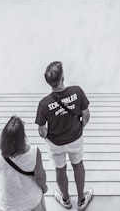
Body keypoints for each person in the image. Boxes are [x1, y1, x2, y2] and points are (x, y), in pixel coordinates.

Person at [35, 61, 92, 210]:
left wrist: (49, 135)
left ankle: (66, 199)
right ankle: (81, 199)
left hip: (56, 143)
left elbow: (42, 131)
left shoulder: (44, 104)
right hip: (75, 138)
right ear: (63, 77)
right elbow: (86, 115)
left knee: (60, 169)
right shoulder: (77, 91)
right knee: (78, 165)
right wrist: (81, 127)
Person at [0, 115, 47, 211]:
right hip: (30, 202)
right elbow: (40, 176)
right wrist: (44, 187)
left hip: (7, 203)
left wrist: (0, 142)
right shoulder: (34, 152)